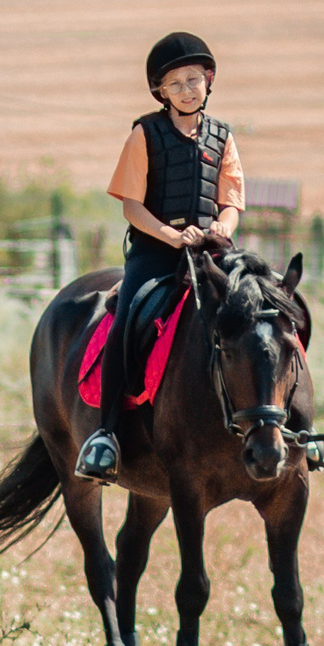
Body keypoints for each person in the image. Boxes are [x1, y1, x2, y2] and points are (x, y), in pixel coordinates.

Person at [73, 32, 246, 480]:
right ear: (160, 92)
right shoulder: (143, 134)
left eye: (194, 79)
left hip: (208, 251)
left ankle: (281, 424)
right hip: (155, 253)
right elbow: (131, 205)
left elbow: (231, 201)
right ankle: (106, 434)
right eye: (176, 84)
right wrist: (170, 236)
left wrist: (221, 229)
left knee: (260, 312)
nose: (188, 89)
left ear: (208, 80)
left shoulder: (223, 136)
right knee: (127, 319)